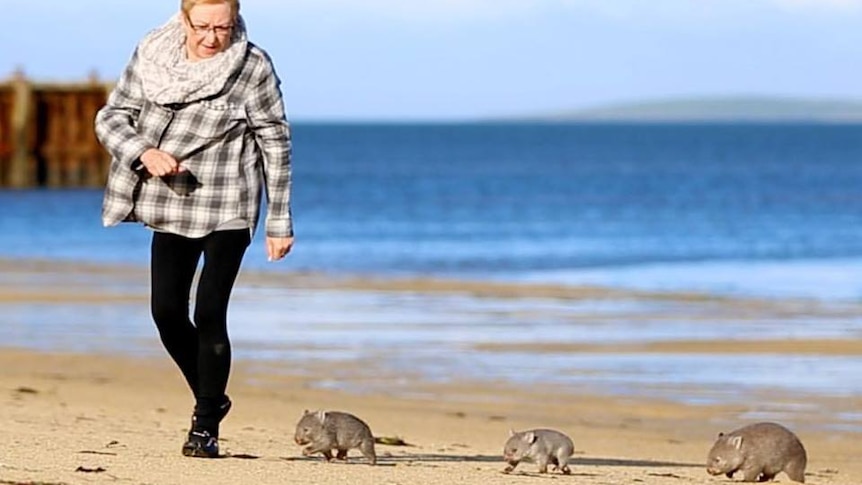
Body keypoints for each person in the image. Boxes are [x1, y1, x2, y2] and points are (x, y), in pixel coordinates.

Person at [95, 0, 293, 458]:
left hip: (229, 201)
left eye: (222, 27)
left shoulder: (252, 66)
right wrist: (144, 151)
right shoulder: (152, 53)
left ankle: (204, 427)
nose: (211, 37)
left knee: (208, 313)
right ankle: (214, 394)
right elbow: (111, 116)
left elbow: (275, 143)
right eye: (201, 26)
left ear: (236, 21)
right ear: (183, 19)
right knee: (165, 311)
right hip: (171, 197)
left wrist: (279, 220)